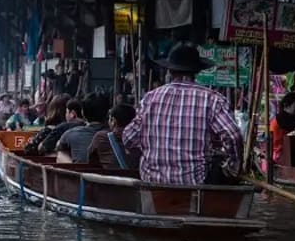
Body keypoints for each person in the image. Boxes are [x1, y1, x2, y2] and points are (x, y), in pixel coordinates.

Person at [123, 43, 243, 185]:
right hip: (195, 185)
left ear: (170, 71)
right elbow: (233, 135)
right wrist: (232, 164)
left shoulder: (150, 98)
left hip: (152, 184)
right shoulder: (212, 99)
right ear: (196, 72)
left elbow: (128, 138)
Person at [56, 93, 109, 163]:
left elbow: (58, 147)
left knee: (61, 153)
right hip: (113, 172)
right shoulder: (118, 135)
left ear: (82, 112)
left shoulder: (70, 133)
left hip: (79, 171)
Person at [88, 104, 138, 169]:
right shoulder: (139, 138)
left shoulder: (101, 137)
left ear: (113, 121)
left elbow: (91, 159)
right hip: (137, 177)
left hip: (110, 178)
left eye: (109, 119)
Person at [269, 92, 295, 166]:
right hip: (279, 156)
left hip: (285, 154)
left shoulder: (286, 118)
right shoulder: (282, 117)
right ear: (286, 105)